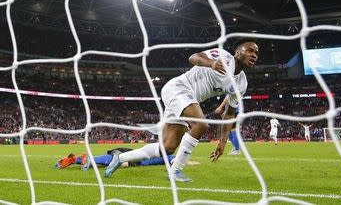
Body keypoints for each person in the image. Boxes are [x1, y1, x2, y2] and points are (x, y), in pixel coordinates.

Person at [105, 38, 259, 182]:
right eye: (250, 50)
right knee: (201, 124)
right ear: (238, 52)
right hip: (178, 88)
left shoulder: (242, 84)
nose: (254, 55)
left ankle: (121, 157)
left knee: (167, 147)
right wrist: (211, 63)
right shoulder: (222, 56)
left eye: (256, 53)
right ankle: (175, 171)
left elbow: (230, 114)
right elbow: (193, 57)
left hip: (186, 99)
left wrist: (222, 143)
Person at [54, 148, 177, 170]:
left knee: (108, 160)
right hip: (127, 155)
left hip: (129, 156)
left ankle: (76, 160)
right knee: (111, 160)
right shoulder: (155, 156)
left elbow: (166, 157)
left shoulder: (155, 155)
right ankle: (76, 160)